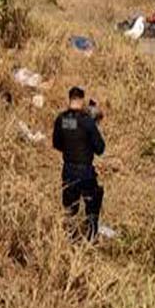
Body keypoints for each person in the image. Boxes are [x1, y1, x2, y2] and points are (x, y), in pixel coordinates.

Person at [53, 86, 106, 241]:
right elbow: (100, 149)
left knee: (69, 209)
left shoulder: (62, 120)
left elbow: (57, 144)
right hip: (85, 172)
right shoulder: (87, 122)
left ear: (69, 99)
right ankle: (91, 238)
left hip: (68, 170)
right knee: (93, 204)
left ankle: (69, 239)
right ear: (82, 100)